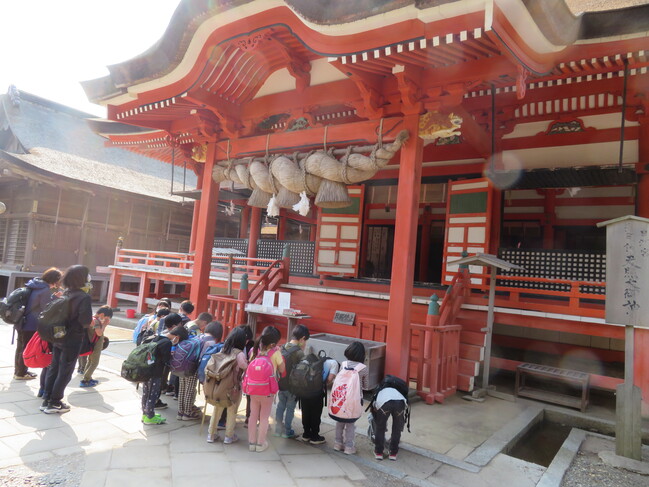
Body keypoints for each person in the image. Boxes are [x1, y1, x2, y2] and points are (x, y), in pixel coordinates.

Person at [42, 266, 93, 414]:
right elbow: (85, 321)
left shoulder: (66, 293)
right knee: (65, 371)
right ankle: (55, 402)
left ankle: (47, 399)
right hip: (72, 338)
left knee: (54, 367)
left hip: (58, 336)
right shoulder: (83, 297)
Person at [15, 267, 61, 385]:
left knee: (20, 347)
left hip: (21, 320)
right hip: (31, 324)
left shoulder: (34, 284)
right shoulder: (44, 289)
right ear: (54, 280)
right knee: (26, 347)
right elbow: (46, 307)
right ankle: (21, 373)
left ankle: (19, 371)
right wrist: (56, 298)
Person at [246, 326, 285, 452]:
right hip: (267, 390)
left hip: (252, 389)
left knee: (253, 415)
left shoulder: (253, 349)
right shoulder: (276, 353)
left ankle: (251, 443)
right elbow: (282, 370)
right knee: (264, 417)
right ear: (273, 343)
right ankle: (260, 444)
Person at [206, 327, 248, 444]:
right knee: (232, 410)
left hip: (219, 386)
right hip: (232, 387)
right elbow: (245, 367)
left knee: (217, 409)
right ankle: (229, 436)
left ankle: (211, 434)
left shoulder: (223, 350)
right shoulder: (239, 354)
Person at [331, 341, 368, 454]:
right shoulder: (363, 368)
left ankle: (338, 443)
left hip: (341, 398)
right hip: (354, 399)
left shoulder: (343, 364)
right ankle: (349, 447)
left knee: (340, 422)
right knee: (350, 423)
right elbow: (366, 386)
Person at [275, 324, 309, 438]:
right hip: (292, 387)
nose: (305, 344)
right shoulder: (299, 352)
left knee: (280, 406)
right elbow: (304, 370)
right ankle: (287, 431)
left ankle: (277, 429)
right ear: (302, 338)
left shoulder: (283, 347)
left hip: (281, 384)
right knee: (290, 408)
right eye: (305, 341)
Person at [141, 318, 177, 425]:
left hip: (146, 370)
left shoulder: (157, 337)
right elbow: (166, 360)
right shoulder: (167, 343)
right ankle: (150, 417)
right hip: (155, 372)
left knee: (146, 393)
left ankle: (145, 414)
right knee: (153, 394)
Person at [300, 357, 338, 445]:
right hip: (316, 393)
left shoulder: (315, 360)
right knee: (315, 414)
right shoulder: (334, 363)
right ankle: (314, 436)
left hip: (303, 390)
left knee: (305, 412)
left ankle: (306, 434)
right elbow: (329, 379)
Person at [370, 381, 409, 461]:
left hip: (385, 404)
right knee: (396, 429)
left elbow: (374, 407)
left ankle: (379, 453)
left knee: (380, 428)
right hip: (400, 403)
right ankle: (393, 453)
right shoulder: (398, 391)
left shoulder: (380, 391)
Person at [171, 324, 202, 421]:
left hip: (180, 368)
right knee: (189, 390)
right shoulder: (195, 340)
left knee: (182, 389)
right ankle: (187, 414)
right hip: (191, 368)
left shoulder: (180, 343)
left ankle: (180, 412)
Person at [78, 305, 113, 387]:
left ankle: (87, 377)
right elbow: (99, 333)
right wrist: (105, 324)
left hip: (92, 344)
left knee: (90, 361)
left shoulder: (92, 318)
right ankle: (85, 380)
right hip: (95, 345)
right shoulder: (96, 321)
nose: (106, 319)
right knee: (94, 363)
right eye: (106, 317)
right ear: (102, 314)